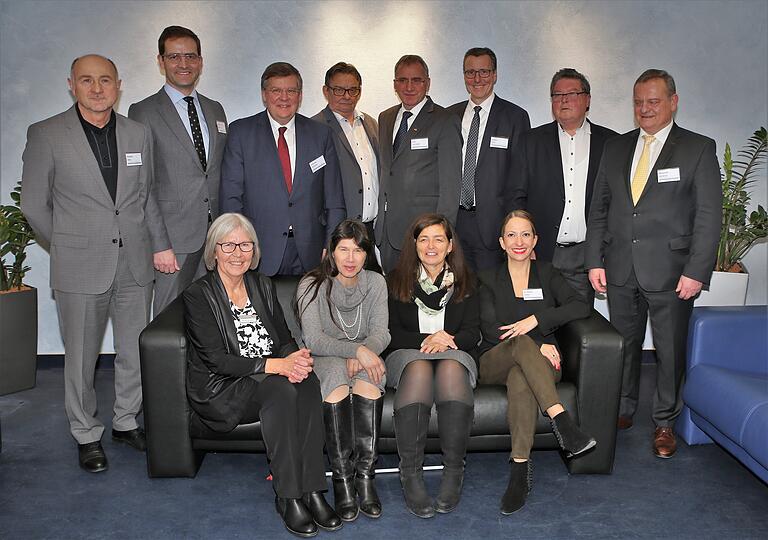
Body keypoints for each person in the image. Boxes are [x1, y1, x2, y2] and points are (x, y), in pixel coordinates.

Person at [21, 54, 169, 473]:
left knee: (133, 351)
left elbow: (146, 197)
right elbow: (34, 205)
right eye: (87, 80)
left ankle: (125, 421)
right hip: (80, 264)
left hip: (134, 264)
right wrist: (68, 245)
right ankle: (86, 432)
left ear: (118, 85)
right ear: (72, 85)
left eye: (105, 80)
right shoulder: (47, 134)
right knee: (82, 357)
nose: (97, 88)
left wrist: (157, 245)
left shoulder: (139, 133)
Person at [585, 69, 721, 457]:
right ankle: (624, 409)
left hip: (673, 272)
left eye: (654, 101)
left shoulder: (698, 148)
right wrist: (595, 259)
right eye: (639, 102)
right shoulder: (616, 147)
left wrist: (697, 270)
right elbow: (599, 209)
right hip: (621, 267)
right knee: (623, 346)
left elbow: (709, 216)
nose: (645, 109)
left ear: (673, 102)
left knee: (668, 350)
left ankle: (664, 422)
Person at [184, 213, 341, 537]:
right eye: (228, 245)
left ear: (254, 250)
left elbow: (282, 340)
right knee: (281, 390)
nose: (237, 253)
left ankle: (312, 489)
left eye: (245, 245)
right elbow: (216, 361)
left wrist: (293, 360)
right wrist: (275, 366)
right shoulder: (198, 295)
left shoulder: (262, 285)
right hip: (223, 388)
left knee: (308, 382)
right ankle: (288, 496)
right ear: (214, 251)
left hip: (268, 375)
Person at [478, 210, 596, 514]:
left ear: (535, 240)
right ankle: (561, 420)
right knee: (518, 347)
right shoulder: (487, 278)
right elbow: (494, 330)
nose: (519, 241)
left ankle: (519, 473)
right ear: (502, 242)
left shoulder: (548, 273)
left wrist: (537, 319)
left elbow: (580, 306)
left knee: (521, 377)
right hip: (495, 358)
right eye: (512, 235)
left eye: (526, 234)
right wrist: (539, 342)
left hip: (540, 363)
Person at [129, 25, 228, 316]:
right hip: (173, 241)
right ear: (161, 62)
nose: (183, 64)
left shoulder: (215, 109)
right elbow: (142, 185)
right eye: (174, 57)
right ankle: (166, 366)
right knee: (168, 318)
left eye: (190, 56)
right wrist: (159, 244)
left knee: (210, 315)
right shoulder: (143, 112)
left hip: (214, 236)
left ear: (200, 61)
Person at [385, 213, 479, 518]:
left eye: (439, 239)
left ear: (450, 245)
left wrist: (446, 340)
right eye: (423, 239)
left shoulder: (466, 280)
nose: (431, 245)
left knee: (451, 368)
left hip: (454, 351)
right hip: (408, 352)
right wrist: (431, 339)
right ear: (414, 243)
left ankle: (454, 472)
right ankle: (410, 473)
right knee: (420, 368)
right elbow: (392, 334)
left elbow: (472, 332)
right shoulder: (396, 279)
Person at [296, 220, 390, 521]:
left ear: (367, 254)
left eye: (358, 250)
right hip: (324, 356)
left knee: (370, 380)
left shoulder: (376, 282)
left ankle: (365, 477)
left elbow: (381, 333)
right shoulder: (311, 284)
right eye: (344, 250)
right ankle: (343, 480)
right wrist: (356, 350)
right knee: (336, 378)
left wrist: (364, 352)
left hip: (365, 356)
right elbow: (313, 339)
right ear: (331, 252)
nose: (350, 259)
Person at [219, 62, 345, 276]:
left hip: (312, 251)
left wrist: (332, 245)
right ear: (264, 95)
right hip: (258, 250)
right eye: (276, 90)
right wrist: (237, 247)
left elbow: (334, 200)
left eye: (291, 91)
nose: (284, 97)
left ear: (300, 95)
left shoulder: (321, 135)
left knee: (309, 309)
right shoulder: (241, 133)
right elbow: (231, 198)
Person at [510, 68, 617, 303]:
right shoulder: (531, 141)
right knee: (537, 321)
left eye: (571, 94)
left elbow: (617, 203)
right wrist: (526, 244)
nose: (564, 100)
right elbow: (517, 197)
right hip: (542, 252)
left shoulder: (612, 143)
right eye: (557, 95)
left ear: (587, 100)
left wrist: (603, 252)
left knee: (577, 326)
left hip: (587, 254)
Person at [375, 55, 462, 272]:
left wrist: (442, 235)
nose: (409, 86)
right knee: (392, 299)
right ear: (395, 84)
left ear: (428, 83)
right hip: (387, 234)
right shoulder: (385, 118)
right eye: (402, 80)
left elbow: (451, 185)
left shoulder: (445, 120)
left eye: (417, 80)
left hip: (425, 236)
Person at [447, 47, 531, 272]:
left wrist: (514, 229)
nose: (477, 79)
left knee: (490, 297)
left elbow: (520, 178)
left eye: (484, 72)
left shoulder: (515, 117)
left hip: (494, 226)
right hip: (453, 223)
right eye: (470, 72)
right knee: (457, 296)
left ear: (495, 75)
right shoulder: (448, 116)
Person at [312, 63, 381, 273]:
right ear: (326, 91)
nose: (346, 95)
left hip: (371, 232)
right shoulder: (314, 129)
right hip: (338, 234)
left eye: (353, 89)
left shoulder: (370, 123)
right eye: (338, 89)